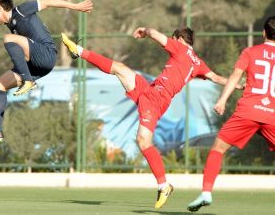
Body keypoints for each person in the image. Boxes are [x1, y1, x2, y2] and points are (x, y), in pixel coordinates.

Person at [62, 27, 243, 209]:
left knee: (143, 141)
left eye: (173, 39)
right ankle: (78, 51)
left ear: (178, 39)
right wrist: (237, 85)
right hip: (150, 90)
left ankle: (164, 186)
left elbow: (156, 35)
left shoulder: (180, 48)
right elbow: (216, 78)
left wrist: (145, 30)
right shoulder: (198, 62)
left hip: (157, 100)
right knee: (120, 68)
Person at [0, 0, 93, 144]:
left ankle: (28, 81)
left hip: (47, 54)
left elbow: (48, 1)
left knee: (9, 39)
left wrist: (75, 6)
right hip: (37, 66)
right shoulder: (11, 24)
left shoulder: (21, 10)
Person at [187, 16, 275, 212]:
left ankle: (206, 192)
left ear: (263, 33)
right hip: (272, 115)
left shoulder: (251, 52)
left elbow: (235, 76)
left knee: (218, 148)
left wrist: (222, 100)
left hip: (248, 111)